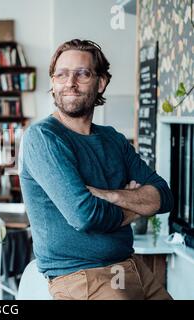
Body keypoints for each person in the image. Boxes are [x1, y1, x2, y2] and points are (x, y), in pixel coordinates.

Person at [18, 39, 174, 300]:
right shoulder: (43, 137)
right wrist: (135, 208)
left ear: (100, 82)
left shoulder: (113, 139)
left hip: (134, 268)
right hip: (83, 279)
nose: (70, 82)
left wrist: (110, 195)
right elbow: (85, 215)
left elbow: (164, 196)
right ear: (53, 82)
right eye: (61, 74)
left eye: (82, 73)